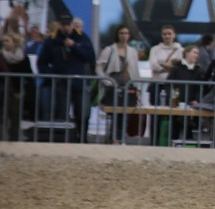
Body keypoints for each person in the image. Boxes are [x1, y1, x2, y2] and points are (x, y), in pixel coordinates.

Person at [37, 13, 95, 141]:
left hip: (79, 82)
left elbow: (90, 57)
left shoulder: (82, 38)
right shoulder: (52, 41)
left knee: (82, 113)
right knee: (62, 114)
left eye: (68, 25)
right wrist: (52, 75)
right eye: (63, 25)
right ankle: (63, 140)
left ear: (72, 25)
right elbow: (42, 62)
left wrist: (74, 46)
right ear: (59, 25)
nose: (66, 28)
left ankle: (82, 138)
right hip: (61, 83)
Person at [95, 24, 142, 143]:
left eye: (126, 33)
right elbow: (99, 67)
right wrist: (106, 81)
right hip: (113, 85)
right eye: (121, 33)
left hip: (128, 86)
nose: (124, 36)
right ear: (117, 34)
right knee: (114, 114)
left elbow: (135, 70)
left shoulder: (132, 51)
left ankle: (120, 139)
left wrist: (138, 87)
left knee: (125, 115)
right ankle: (113, 138)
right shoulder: (109, 49)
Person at [1, 32, 33, 141]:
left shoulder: (23, 58)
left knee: (15, 119)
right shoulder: (1, 57)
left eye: (7, 41)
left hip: (17, 92)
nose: (4, 43)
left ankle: (14, 143)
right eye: (3, 41)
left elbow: (29, 75)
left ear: (14, 42)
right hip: (2, 91)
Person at [148, 24, 183, 104]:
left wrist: (162, 64)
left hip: (173, 85)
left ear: (174, 35)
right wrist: (171, 67)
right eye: (164, 34)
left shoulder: (180, 50)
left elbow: (180, 68)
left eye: (169, 34)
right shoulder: (155, 49)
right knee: (154, 108)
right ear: (161, 35)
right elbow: (153, 66)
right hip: (157, 84)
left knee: (172, 109)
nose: (167, 36)